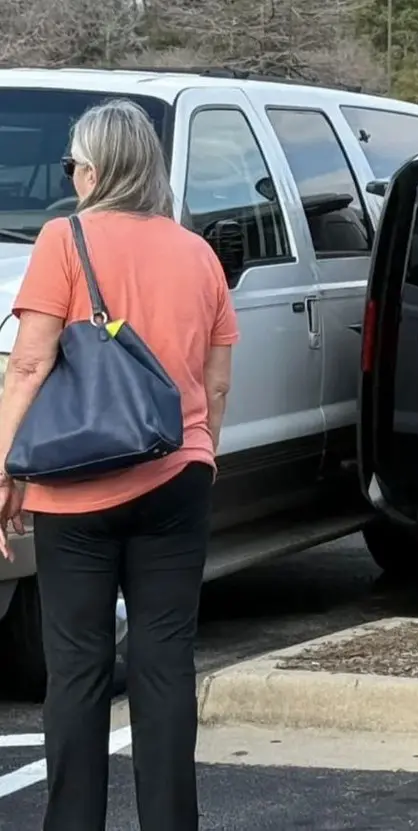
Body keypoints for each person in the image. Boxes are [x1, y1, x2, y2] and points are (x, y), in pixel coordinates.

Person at [0, 99, 238, 831]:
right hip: (178, 477)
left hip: (76, 489)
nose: (71, 175)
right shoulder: (198, 252)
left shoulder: (62, 240)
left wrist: (4, 470)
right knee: (166, 662)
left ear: (95, 170)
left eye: (73, 163)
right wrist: (202, 453)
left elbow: (30, 363)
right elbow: (217, 378)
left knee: (78, 666)